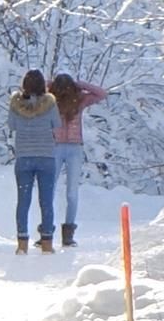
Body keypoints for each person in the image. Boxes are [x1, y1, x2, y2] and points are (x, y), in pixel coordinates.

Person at [8, 72, 61, 250]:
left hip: (24, 157)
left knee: (23, 201)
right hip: (46, 156)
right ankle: (47, 242)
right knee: (46, 200)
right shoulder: (50, 104)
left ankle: (22, 243)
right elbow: (57, 124)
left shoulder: (16, 104)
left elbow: (12, 125)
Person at [48, 70, 101, 245]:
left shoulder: (79, 100)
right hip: (55, 147)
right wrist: (51, 84)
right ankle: (47, 229)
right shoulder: (50, 100)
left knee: (71, 192)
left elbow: (101, 93)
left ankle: (68, 232)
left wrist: (81, 85)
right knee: (50, 190)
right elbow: (35, 89)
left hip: (74, 147)